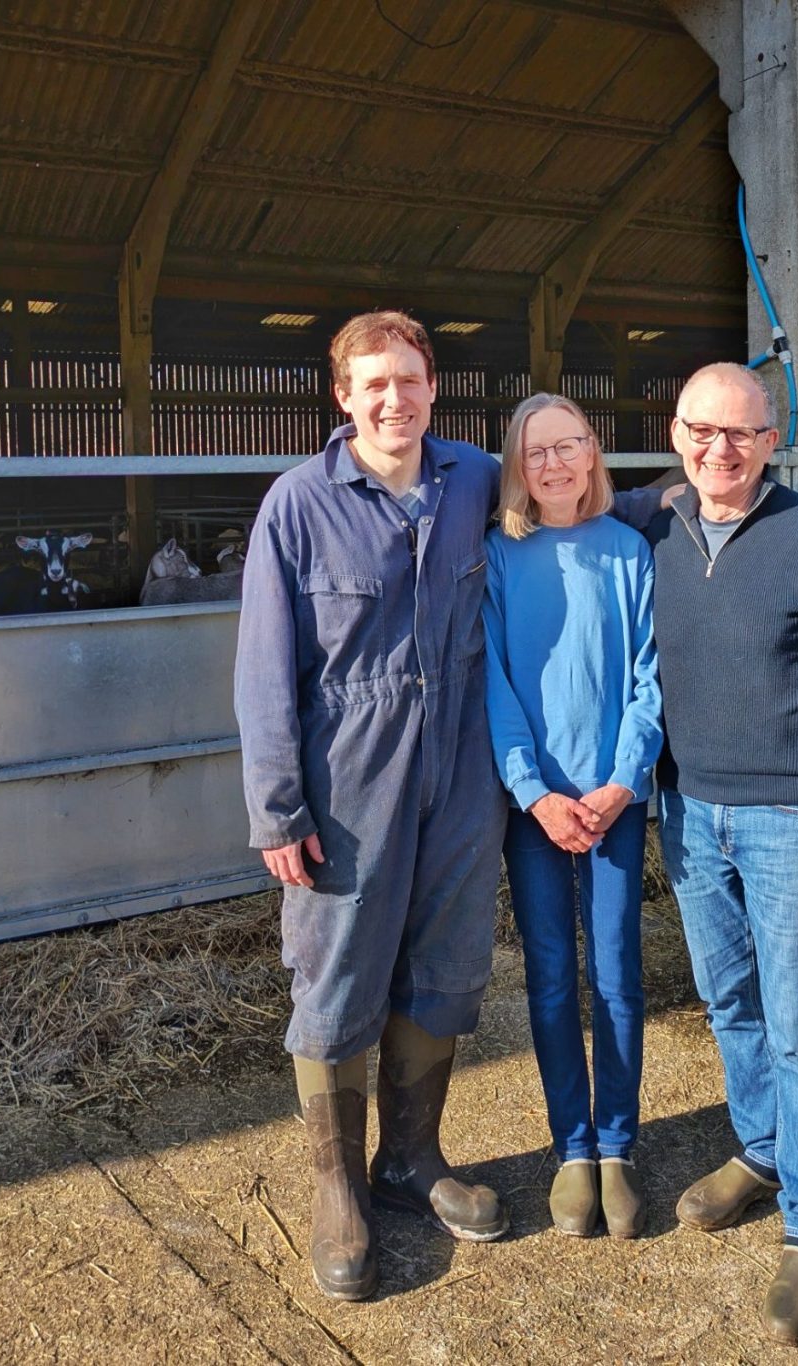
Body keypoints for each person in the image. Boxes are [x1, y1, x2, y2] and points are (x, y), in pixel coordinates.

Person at [234, 311, 510, 1302]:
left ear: (435, 384)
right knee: (337, 977)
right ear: (343, 397)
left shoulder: (475, 477)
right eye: (373, 383)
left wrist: (698, 487)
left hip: (462, 775)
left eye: (410, 378)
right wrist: (277, 807)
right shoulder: (299, 506)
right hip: (348, 784)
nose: (395, 398)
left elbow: (575, 501)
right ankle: (339, 1188)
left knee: (443, 965)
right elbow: (265, 668)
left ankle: (413, 1157)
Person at [644, 363, 798, 1345]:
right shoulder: (655, 526)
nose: (721, 450)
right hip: (689, 811)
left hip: (793, 819)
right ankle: (759, 1150)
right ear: (675, 433)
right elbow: (561, 496)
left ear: (772, 438)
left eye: (743, 434)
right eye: (702, 430)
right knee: (726, 998)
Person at [482, 394, 662, 1240]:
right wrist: (534, 791)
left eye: (570, 447)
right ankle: (573, 1146)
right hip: (537, 810)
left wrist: (624, 780)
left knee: (617, 972)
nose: (554, 464)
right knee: (552, 976)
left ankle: (620, 1143)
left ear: (594, 455)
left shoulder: (630, 553)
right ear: (517, 465)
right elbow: (495, 686)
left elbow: (649, 679)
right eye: (536, 451)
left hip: (614, 804)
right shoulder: (498, 558)